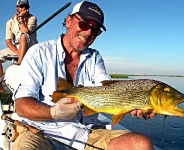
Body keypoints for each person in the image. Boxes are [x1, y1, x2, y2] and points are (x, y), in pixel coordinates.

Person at [10, 1, 154, 150]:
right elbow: (21, 106)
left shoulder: (94, 57)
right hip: (39, 132)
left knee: (141, 145)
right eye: (84, 24)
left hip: (85, 133)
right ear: (68, 20)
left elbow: (106, 86)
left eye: (95, 30)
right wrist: (53, 112)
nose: (88, 33)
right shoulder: (39, 52)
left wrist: (135, 102)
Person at [0, 0, 37, 92]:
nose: (24, 8)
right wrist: (19, 52)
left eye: (26, 6)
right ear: (17, 8)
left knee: (23, 35)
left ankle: (19, 62)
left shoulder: (32, 18)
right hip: (17, 47)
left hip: (30, 44)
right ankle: (0, 81)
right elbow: (8, 41)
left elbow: (26, 31)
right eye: (21, 6)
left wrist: (21, 19)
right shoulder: (10, 22)